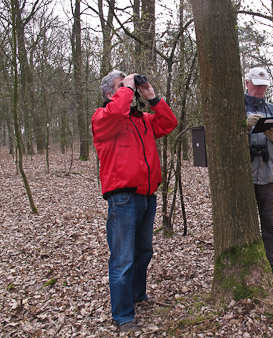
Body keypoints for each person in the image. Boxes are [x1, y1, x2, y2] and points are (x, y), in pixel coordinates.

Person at [91, 70, 177, 332]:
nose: (128, 90)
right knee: (123, 258)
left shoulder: (142, 121)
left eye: (128, 87)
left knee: (143, 252)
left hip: (147, 196)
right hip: (123, 198)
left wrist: (150, 95)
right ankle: (123, 314)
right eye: (120, 87)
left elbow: (169, 123)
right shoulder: (103, 118)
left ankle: (138, 295)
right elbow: (117, 112)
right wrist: (127, 89)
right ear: (110, 95)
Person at [245, 67, 273, 278]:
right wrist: (243, 126)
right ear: (247, 83)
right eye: (256, 84)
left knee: (270, 224)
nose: (260, 89)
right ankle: (247, 263)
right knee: (245, 224)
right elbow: (223, 142)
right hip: (243, 179)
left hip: (269, 176)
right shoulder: (236, 107)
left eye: (263, 86)